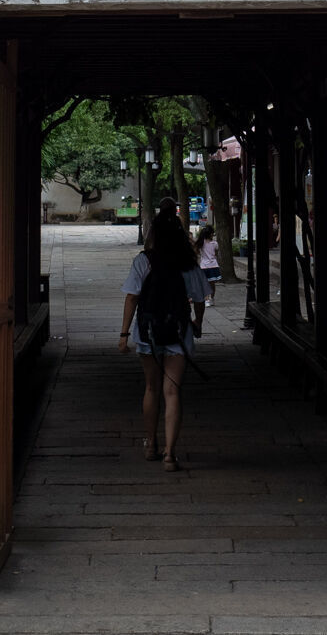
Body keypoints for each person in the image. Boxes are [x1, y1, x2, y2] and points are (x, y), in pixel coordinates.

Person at [119, 198, 209, 471]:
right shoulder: (188, 264)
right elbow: (199, 299)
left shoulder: (143, 261)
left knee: (151, 388)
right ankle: (170, 454)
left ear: (154, 234)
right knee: (172, 391)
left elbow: (132, 298)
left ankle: (151, 444)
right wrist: (197, 322)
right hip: (178, 333)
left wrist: (124, 334)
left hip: (148, 332)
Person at [195, 224, 220, 307]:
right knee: (212, 284)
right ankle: (210, 299)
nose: (213, 234)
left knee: (205, 284)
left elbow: (197, 252)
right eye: (212, 233)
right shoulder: (214, 243)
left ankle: (208, 299)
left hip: (204, 265)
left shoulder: (201, 243)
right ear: (210, 234)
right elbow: (216, 254)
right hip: (213, 265)